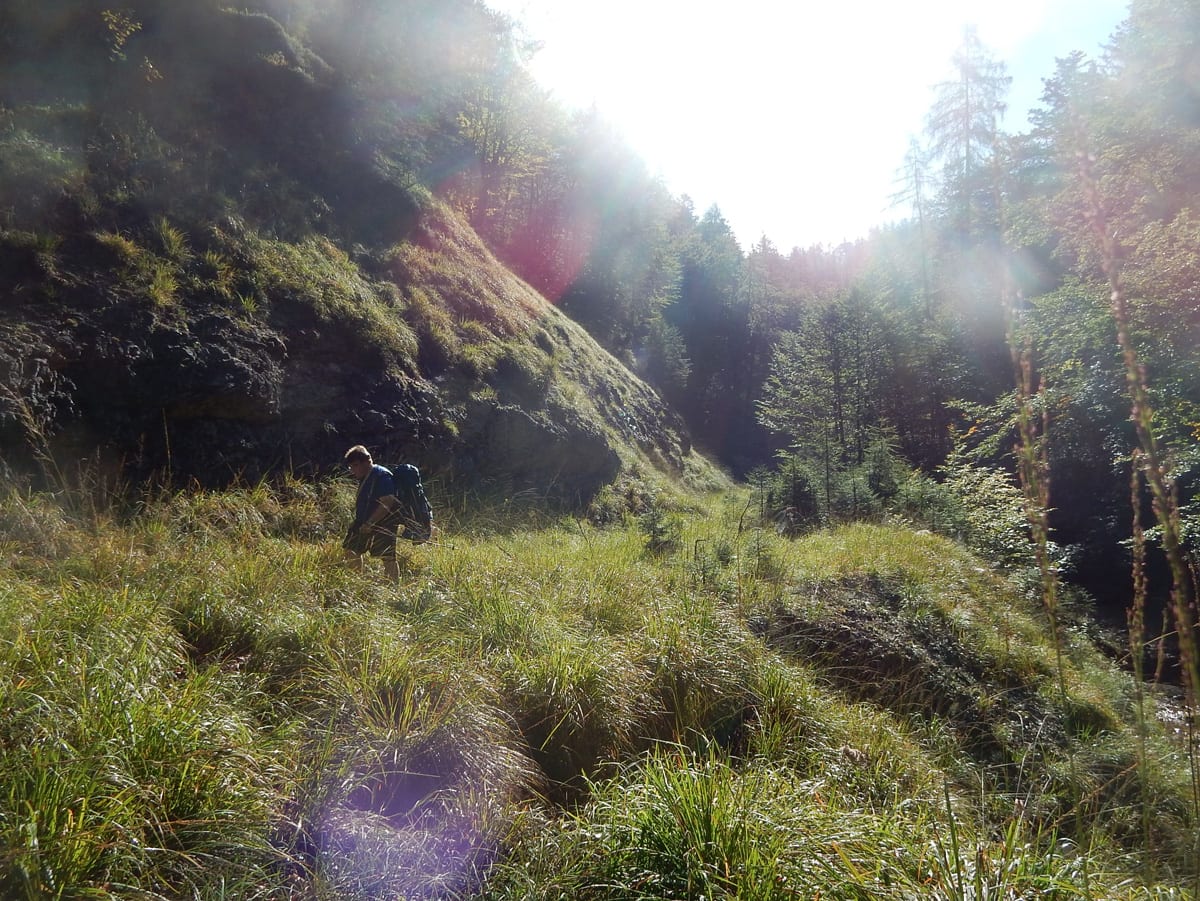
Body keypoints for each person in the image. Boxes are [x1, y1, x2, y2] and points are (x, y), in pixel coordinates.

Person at [342, 445, 402, 581]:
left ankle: (393, 587)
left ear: (367, 461)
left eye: (355, 465)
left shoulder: (381, 476)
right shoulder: (367, 477)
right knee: (351, 549)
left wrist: (370, 523)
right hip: (363, 522)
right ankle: (356, 582)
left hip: (384, 524)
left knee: (387, 557)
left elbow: (388, 501)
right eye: (351, 467)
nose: (353, 470)